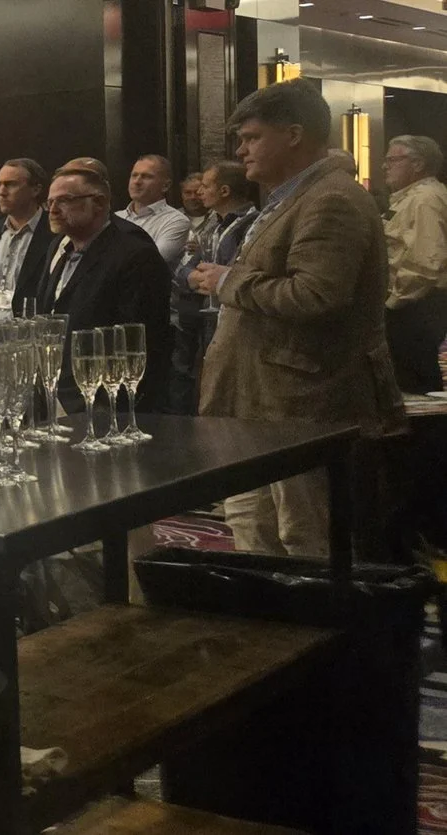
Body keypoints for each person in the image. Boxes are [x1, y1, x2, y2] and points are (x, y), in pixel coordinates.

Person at [192, 81, 405, 557]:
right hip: (259, 403)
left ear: (293, 134)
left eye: (251, 138)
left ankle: (321, 632)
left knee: (305, 542)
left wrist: (230, 283)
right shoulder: (291, 197)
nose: (241, 151)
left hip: (301, 408)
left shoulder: (332, 198)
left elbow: (316, 295)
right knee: (255, 537)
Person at [21, 169, 175, 410]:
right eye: (50, 202)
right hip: (59, 391)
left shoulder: (134, 253)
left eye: (64, 200)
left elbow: (138, 339)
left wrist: (106, 403)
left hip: (105, 401)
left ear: (99, 203)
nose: (53, 209)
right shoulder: (58, 248)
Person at [168, 160, 260, 413]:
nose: (199, 192)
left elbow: (237, 272)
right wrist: (193, 279)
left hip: (236, 319)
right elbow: (185, 269)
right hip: (206, 315)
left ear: (224, 191)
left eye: (206, 186)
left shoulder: (252, 225)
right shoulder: (213, 224)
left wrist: (212, 278)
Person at [382, 135, 447, 393]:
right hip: (417, 302)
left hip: (416, 303)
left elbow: (424, 262)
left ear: (418, 164)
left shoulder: (424, 199)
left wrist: (391, 302)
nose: (385, 166)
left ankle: (424, 432)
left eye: (393, 160)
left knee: (413, 381)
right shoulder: (416, 197)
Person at [0, 158, 57, 323]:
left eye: (11, 184)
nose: (2, 192)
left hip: (30, 329)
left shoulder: (53, 233)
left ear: (36, 189)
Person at [118, 154, 192, 266]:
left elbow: (151, 262)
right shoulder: (115, 217)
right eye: (134, 175)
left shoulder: (176, 221)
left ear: (166, 186)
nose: (137, 181)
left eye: (146, 176)